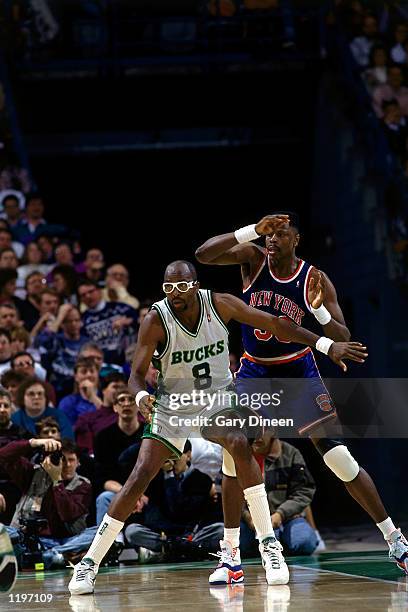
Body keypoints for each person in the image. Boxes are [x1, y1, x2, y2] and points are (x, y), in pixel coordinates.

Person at [68, 259, 366, 595]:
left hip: (216, 400)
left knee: (239, 443)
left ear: (195, 285)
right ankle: (89, 563)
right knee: (139, 476)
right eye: (168, 287)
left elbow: (276, 323)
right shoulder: (156, 319)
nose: (175, 293)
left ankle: (268, 545)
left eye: (182, 286)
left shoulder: (219, 303)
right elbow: (135, 376)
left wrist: (324, 344)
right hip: (173, 405)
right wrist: (139, 399)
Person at [195, 213, 408, 582]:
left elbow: (341, 333)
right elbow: (204, 255)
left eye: (280, 235)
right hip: (256, 370)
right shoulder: (253, 258)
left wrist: (319, 309)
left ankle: (396, 540)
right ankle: (231, 557)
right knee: (233, 452)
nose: (272, 240)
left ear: (296, 240)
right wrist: (250, 230)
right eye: (270, 235)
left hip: (298, 370)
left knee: (339, 459)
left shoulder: (314, 278)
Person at [0, 437, 95, 569]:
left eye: (71, 460)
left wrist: (57, 481)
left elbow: (69, 514)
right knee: (6, 532)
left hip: (68, 540)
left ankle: (50, 555)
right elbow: (4, 455)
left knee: (98, 532)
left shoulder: (83, 485)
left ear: (78, 462)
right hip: (31, 540)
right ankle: (56, 557)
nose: (66, 464)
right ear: (45, 461)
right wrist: (34, 442)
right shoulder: (33, 474)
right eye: (61, 459)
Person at [240, 433, 317, 557]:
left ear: (273, 431)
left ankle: (279, 546)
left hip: (287, 519)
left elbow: (303, 491)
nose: (256, 436)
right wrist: (248, 517)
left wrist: (281, 514)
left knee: (304, 542)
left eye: (262, 431)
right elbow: (230, 496)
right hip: (250, 522)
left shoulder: (290, 453)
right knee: (240, 545)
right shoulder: (239, 455)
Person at [34, 304, 89, 398]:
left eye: (77, 320)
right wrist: (59, 317)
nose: (74, 324)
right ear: (62, 324)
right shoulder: (55, 340)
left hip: (82, 390)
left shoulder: (87, 342)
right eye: (69, 321)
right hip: (58, 390)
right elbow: (40, 342)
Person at [78, 280, 138, 365]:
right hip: (100, 365)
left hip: (128, 360)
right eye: (83, 295)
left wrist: (127, 321)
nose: (88, 296)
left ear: (99, 291)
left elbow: (140, 321)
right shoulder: (82, 320)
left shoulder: (121, 308)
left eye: (91, 292)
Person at [58, 356, 102, 426]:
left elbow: (108, 420)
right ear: (76, 377)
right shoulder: (67, 402)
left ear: (97, 374)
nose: (89, 375)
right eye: (84, 371)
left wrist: (93, 397)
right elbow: (67, 429)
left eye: (92, 371)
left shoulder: (107, 398)